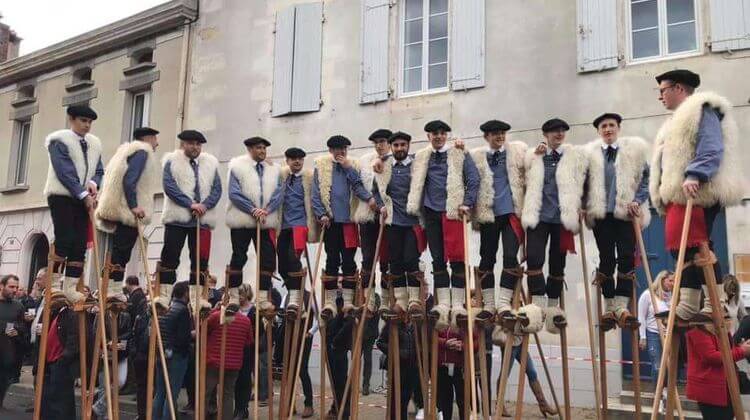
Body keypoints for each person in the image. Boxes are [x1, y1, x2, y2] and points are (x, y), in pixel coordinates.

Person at [650, 69, 742, 325]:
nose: (660, 97)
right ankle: (689, 304)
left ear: (678, 88)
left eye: (662, 90)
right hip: (678, 196)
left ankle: (718, 303)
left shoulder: (702, 109)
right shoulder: (673, 121)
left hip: (698, 191)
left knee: (698, 244)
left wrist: (695, 174)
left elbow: (711, 146)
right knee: (683, 249)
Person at [407, 120, 480, 329]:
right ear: (428, 137)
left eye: (441, 133)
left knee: (457, 259)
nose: (438, 137)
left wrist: (467, 202)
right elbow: (397, 164)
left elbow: (473, 179)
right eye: (433, 134)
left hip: (453, 212)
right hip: (431, 214)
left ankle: (457, 303)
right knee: (438, 260)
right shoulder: (421, 157)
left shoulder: (459, 153)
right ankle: (444, 303)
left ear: (446, 135)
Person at [519, 118, 587, 334]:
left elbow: (584, 182)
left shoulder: (573, 157)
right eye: (554, 131)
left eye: (562, 131)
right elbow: (520, 177)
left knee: (558, 263)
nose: (559, 134)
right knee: (535, 259)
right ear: (545, 134)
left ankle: (552, 308)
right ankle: (537, 307)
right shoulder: (534, 156)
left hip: (561, 218)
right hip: (538, 217)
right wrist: (535, 156)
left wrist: (582, 205)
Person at [585, 113, 650, 329]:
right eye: (603, 126)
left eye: (612, 125)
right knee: (606, 259)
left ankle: (622, 305)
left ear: (618, 128)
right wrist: (582, 205)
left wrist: (638, 200)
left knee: (625, 257)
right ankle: (609, 305)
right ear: (598, 131)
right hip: (602, 214)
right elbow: (580, 183)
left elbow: (646, 179)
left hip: (624, 213)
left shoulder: (633, 153)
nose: (608, 129)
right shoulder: (590, 156)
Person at [44, 105, 104, 306]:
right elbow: (65, 172)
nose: (87, 125)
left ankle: (69, 288)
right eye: (83, 121)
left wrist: (93, 184)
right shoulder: (59, 140)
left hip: (83, 196)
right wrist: (82, 193)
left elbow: (99, 169)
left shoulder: (95, 143)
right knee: (65, 238)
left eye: (89, 122)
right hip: (62, 195)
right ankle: (52, 284)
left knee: (79, 245)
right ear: (71, 119)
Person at [312, 135, 376, 318]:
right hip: (330, 222)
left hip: (348, 222)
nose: (342, 152)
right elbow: (316, 194)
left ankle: (348, 302)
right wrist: (321, 214)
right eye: (338, 149)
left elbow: (358, 186)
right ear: (331, 150)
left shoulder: (353, 166)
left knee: (349, 261)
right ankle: (330, 302)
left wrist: (369, 199)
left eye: (344, 149)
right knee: (332, 260)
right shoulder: (322, 167)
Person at [157, 130, 222, 310]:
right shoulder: (171, 161)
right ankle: (163, 296)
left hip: (201, 221)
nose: (195, 147)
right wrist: (190, 204)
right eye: (191, 143)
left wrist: (204, 205)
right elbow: (170, 187)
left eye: (198, 144)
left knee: (200, 261)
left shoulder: (210, 164)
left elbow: (217, 189)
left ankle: (197, 299)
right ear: (183, 144)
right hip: (177, 218)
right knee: (170, 257)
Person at [95, 127, 160, 303]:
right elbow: (130, 180)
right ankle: (113, 288)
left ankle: (108, 285)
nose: (157, 143)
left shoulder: (125, 152)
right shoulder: (142, 152)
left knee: (117, 250)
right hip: (127, 211)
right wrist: (134, 206)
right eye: (155, 139)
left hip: (118, 207)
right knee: (122, 252)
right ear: (147, 138)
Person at [469, 120, 526, 321]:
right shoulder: (477, 157)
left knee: (511, 257)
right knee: (487, 258)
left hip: (510, 213)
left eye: (502, 133)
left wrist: (540, 150)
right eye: (495, 134)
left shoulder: (518, 152)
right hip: (489, 215)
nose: (500, 136)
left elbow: (534, 165)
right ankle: (489, 305)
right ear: (487, 137)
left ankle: (503, 303)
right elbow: (466, 178)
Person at [226, 137, 282, 315]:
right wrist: (252, 209)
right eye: (259, 148)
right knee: (239, 256)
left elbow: (279, 192)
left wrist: (267, 209)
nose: (263, 151)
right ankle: (234, 295)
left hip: (265, 221)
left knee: (267, 259)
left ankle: (263, 297)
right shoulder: (237, 167)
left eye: (264, 148)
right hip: (242, 219)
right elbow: (234, 193)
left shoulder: (274, 169)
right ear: (249, 149)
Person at [373, 131, 425, 317]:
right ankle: (401, 301)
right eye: (396, 145)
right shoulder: (384, 167)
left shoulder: (417, 165)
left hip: (412, 222)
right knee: (394, 262)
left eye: (403, 145)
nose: (400, 148)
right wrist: (380, 207)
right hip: (393, 222)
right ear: (392, 147)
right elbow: (376, 191)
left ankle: (414, 300)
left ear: (408, 146)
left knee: (411, 259)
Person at [277, 147, 319, 317]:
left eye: (300, 159)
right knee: (281, 266)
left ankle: (295, 299)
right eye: (293, 158)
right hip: (283, 226)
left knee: (293, 260)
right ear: (287, 160)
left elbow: (316, 198)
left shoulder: (309, 178)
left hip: (299, 226)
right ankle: (297, 290)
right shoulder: (281, 178)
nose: (297, 161)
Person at [356, 129, 392, 311]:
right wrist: (368, 198)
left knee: (386, 259)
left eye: (383, 141)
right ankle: (368, 300)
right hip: (368, 215)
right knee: (368, 258)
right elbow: (356, 183)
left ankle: (385, 301)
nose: (379, 145)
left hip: (389, 217)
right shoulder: (364, 161)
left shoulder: (396, 160)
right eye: (376, 142)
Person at [686, 324, 750, 419]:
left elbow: (728, 352)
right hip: (711, 389)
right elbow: (712, 357)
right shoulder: (698, 330)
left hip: (727, 387)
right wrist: (742, 351)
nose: (728, 320)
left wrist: (741, 348)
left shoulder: (720, 329)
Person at [491, 327, 557, 417]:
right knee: (504, 374)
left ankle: (543, 404)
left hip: (521, 342)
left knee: (532, 373)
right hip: (510, 341)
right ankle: (500, 406)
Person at [204, 303, 253, 420]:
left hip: (214, 362)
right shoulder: (246, 321)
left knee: (206, 392)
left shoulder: (217, 316)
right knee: (228, 395)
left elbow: (204, 328)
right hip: (234, 364)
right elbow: (249, 341)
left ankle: (202, 415)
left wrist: (215, 309)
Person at [153, 282, 192, 420]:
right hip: (176, 356)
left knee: (160, 392)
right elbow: (182, 338)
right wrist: (192, 335)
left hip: (162, 353)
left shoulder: (165, 308)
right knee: (171, 395)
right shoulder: (183, 310)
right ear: (186, 293)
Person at [39, 299, 79, 418]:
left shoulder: (70, 315)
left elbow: (73, 341)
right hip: (49, 362)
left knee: (60, 401)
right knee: (49, 399)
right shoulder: (54, 313)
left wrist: (62, 359)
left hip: (60, 363)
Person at [375, 319, 419, 420]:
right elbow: (380, 343)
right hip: (398, 367)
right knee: (395, 400)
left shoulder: (415, 324)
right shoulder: (392, 324)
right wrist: (397, 352)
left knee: (405, 400)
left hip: (412, 368)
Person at [436, 325, 477, 420]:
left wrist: (462, 346)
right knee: (445, 399)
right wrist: (444, 343)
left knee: (462, 399)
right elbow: (431, 338)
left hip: (459, 367)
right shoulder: (441, 320)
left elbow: (476, 342)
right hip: (443, 367)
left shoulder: (463, 320)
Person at [638, 271, 674, 381]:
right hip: (653, 334)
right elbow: (641, 317)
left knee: (669, 366)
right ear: (662, 280)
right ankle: (658, 394)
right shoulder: (648, 295)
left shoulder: (672, 295)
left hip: (668, 334)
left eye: (674, 281)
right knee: (657, 366)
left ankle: (668, 393)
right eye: (670, 280)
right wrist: (642, 337)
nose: (672, 283)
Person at [0, 274, 26, 409]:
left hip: (7, 352)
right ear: (2, 286)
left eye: (16, 287)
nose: (15, 290)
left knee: (3, 380)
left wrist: (17, 330)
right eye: (11, 287)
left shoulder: (19, 306)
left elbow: (23, 326)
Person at [233, 284, 254, 420]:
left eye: (241, 294)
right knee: (235, 379)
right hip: (234, 348)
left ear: (247, 295)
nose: (239, 297)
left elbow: (259, 331)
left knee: (245, 379)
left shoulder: (254, 310)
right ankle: (237, 407)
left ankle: (243, 408)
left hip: (248, 349)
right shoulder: (234, 309)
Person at [361, 293, 380, 395]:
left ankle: (366, 385)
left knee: (367, 360)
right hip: (359, 335)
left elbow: (376, 308)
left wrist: (367, 307)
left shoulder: (375, 296)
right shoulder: (358, 295)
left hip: (370, 335)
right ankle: (352, 383)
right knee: (355, 361)